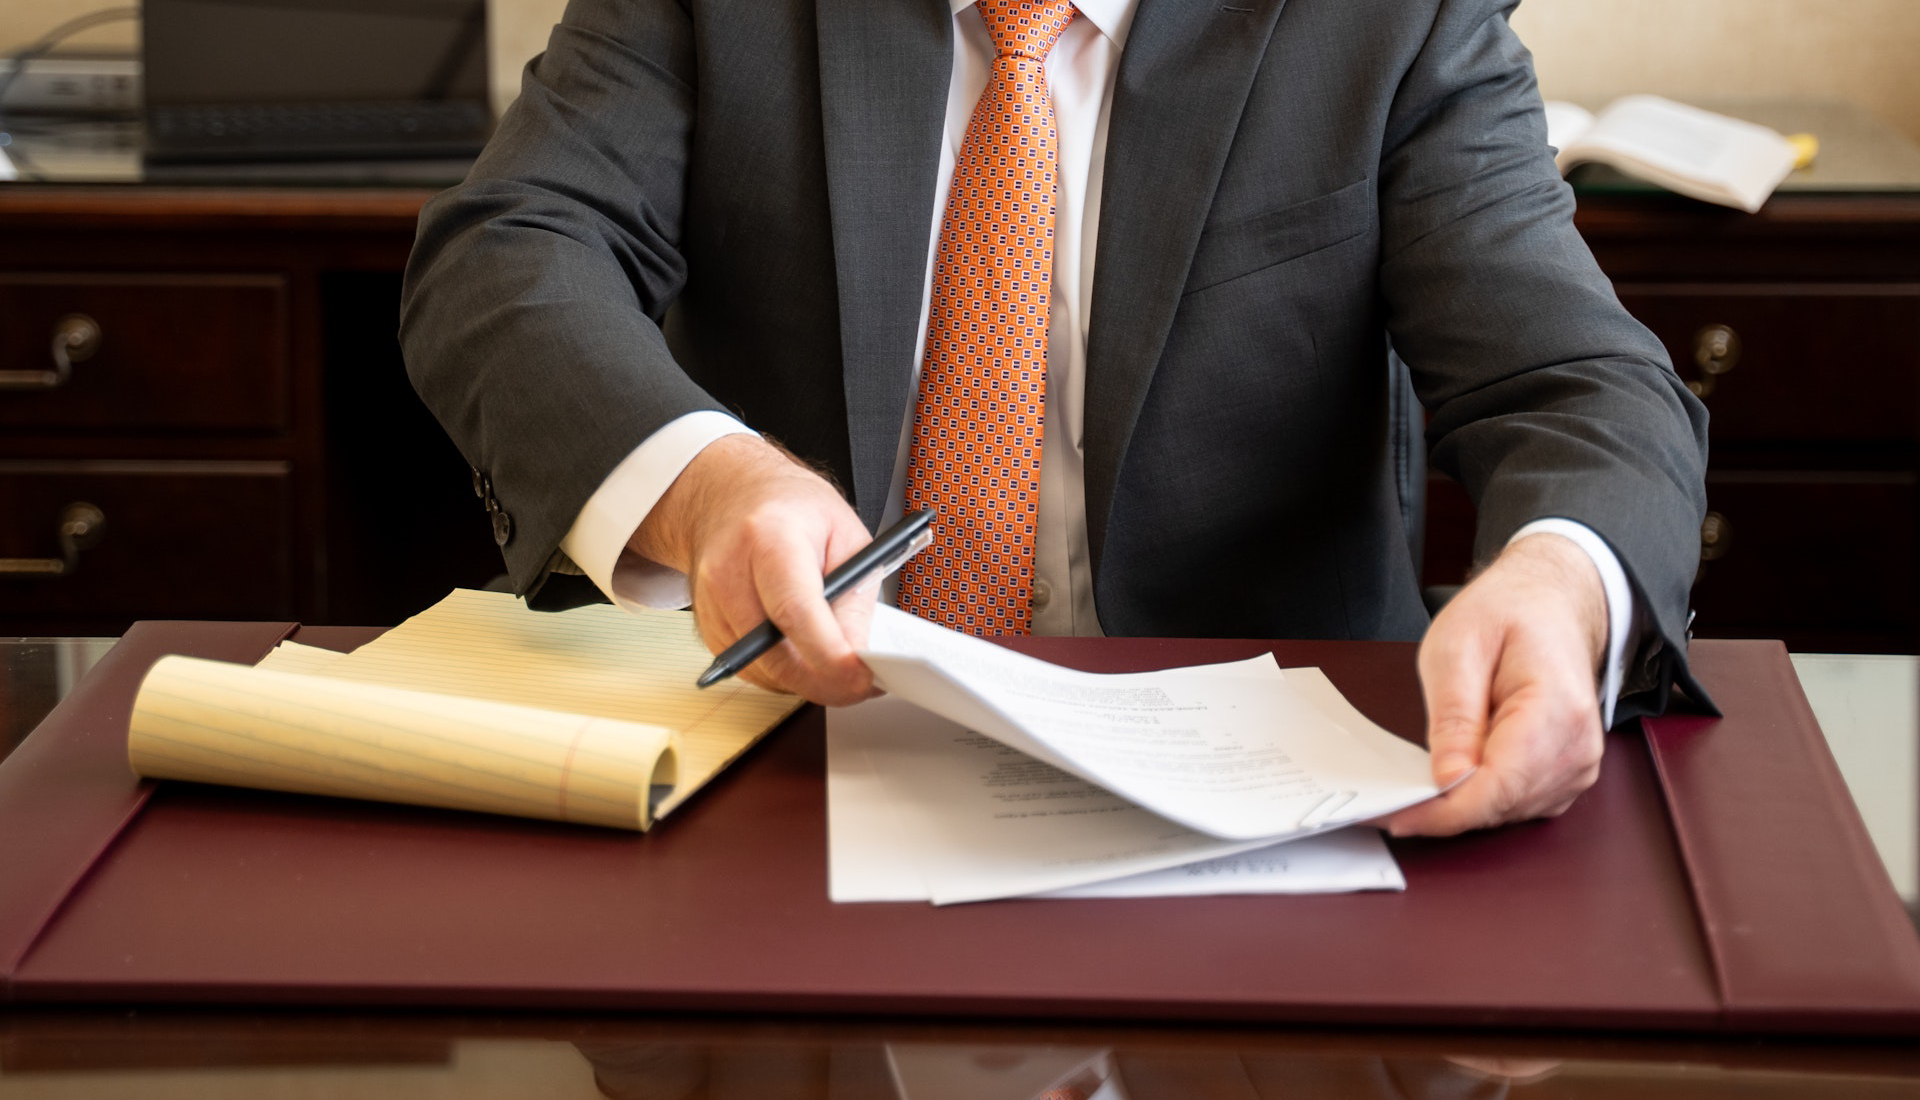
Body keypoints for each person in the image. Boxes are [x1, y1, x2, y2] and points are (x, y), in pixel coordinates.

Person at [400, 0, 1710, 839]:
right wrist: (712, 484)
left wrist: (1563, 585)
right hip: (796, 762)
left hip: (1265, 803)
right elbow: (512, 248)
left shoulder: (1389, 19)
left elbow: (1579, 385)